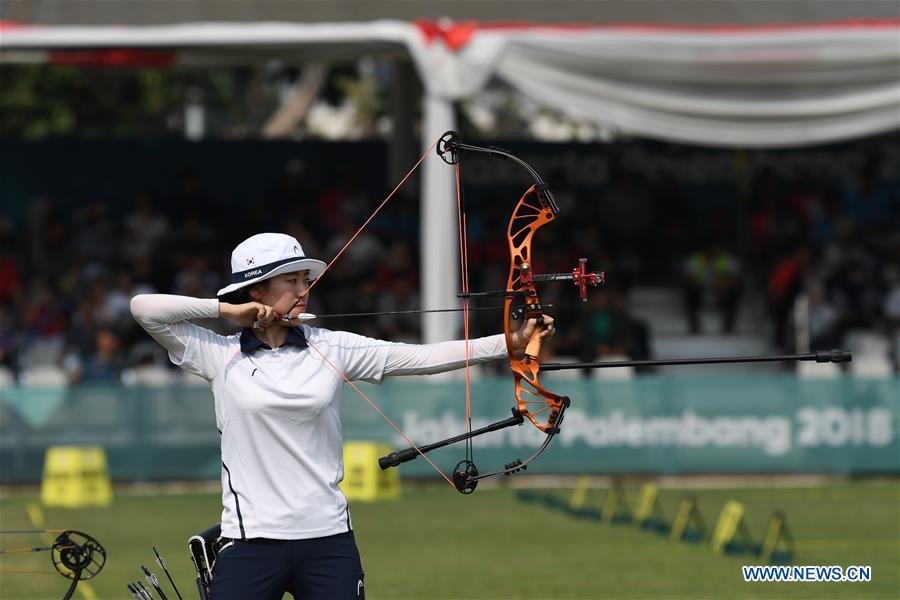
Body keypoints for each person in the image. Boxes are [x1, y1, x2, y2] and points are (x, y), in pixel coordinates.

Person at [130, 232, 553, 600]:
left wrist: (512, 341)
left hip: (327, 538)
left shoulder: (331, 346)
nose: (303, 290)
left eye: (306, 280)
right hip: (250, 540)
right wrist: (227, 310)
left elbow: (423, 357)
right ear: (256, 290)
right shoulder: (218, 354)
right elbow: (143, 308)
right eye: (290, 280)